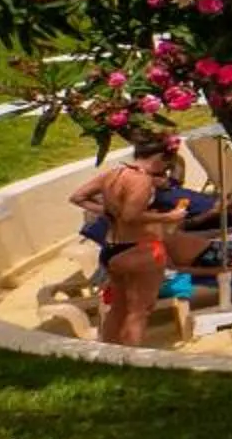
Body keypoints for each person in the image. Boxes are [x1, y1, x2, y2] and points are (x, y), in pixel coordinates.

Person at [70, 139, 186, 345]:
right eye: (166, 166)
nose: (165, 172)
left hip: (112, 248)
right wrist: (169, 217)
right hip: (140, 249)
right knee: (140, 311)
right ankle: (134, 362)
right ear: (159, 158)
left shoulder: (113, 174)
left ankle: (111, 356)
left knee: (118, 307)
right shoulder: (141, 181)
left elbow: (78, 196)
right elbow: (131, 215)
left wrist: (108, 212)